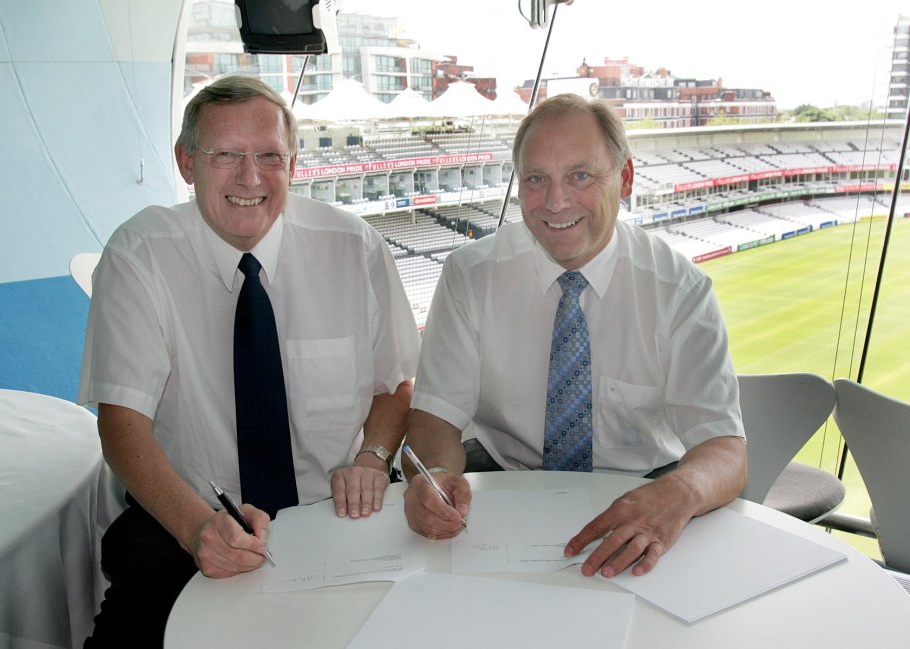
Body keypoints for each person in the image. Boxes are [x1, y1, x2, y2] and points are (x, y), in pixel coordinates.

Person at [78, 75, 420, 648]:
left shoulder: (354, 246)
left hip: (337, 510)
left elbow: (394, 384)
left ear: (293, 162)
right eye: (226, 156)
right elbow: (121, 424)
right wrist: (196, 529)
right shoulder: (139, 255)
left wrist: (371, 457)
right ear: (187, 162)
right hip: (191, 512)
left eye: (269, 156)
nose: (250, 177)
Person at [401, 93, 747, 579]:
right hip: (507, 488)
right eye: (536, 179)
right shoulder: (470, 274)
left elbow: (725, 449)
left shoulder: (679, 290)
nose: (555, 202)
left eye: (580, 176)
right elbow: (436, 417)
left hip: (646, 491)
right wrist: (435, 477)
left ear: (624, 179)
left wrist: (680, 494)